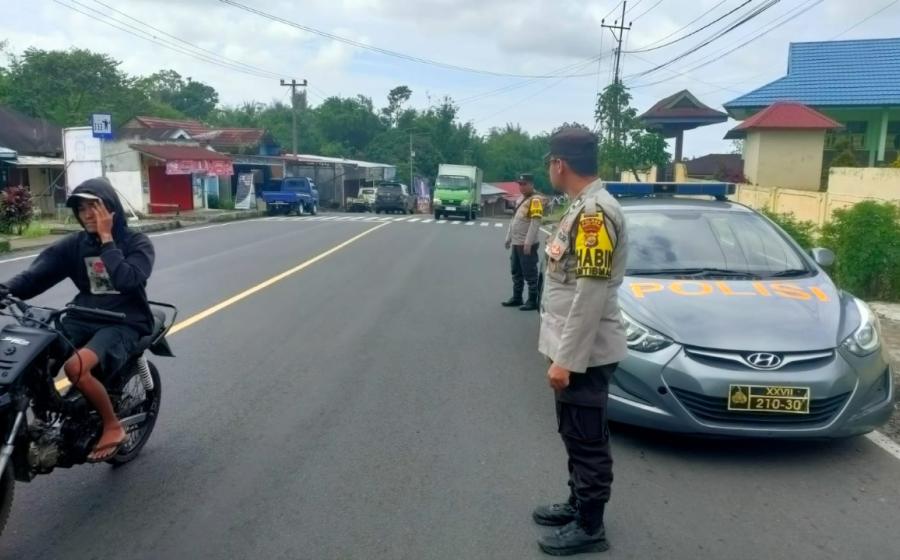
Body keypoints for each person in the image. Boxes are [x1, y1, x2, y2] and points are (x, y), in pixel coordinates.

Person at [2, 177, 155, 462]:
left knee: (76, 367)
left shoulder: (136, 243)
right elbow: (37, 275)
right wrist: (5, 290)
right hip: (83, 314)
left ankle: (111, 425)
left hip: (125, 320)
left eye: (94, 207)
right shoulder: (75, 245)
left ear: (112, 209)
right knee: (34, 357)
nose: (87, 214)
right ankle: (47, 416)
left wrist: (108, 240)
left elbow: (128, 280)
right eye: (81, 208)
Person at [532, 127, 628, 556]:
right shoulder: (581, 208)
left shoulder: (594, 215)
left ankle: (590, 526)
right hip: (575, 349)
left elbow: (589, 292)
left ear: (559, 164)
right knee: (575, 432)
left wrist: (566, 360)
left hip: (584, 354)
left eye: (550, 162)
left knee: (587, 438)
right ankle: (577, 503)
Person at [503, 173, 544, 311]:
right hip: (516, 242)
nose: (521, 187)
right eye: (520, 184)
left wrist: (528, 242)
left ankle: (532, 300)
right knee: (516, 271)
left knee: (530, 272)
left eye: (524, 184)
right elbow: (514, 220)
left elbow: (535, 222)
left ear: (531, 184)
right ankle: (517, 297)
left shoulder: (535, 200)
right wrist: (508, 238)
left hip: (526, 244)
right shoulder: (521, 199)